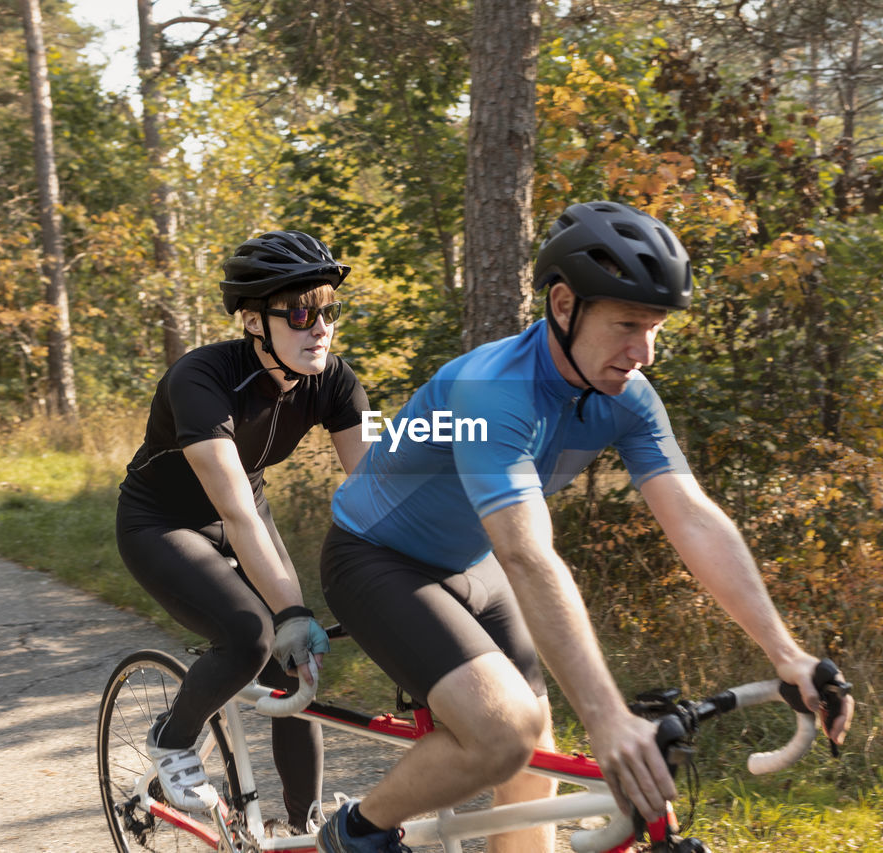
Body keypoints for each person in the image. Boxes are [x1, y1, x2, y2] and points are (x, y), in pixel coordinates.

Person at [313, 201, 855, 853]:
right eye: (628, 323)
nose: (643, 351)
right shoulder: (493, 391)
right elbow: (527, 552)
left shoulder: (627, 394)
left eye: (655, 327)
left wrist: (787, 652)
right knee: (503, 732)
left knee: (535, 762)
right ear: (564, 305)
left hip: (472, 563)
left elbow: (692, 516)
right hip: (377, 557)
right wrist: (604, 715)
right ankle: (356, 831)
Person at [115, 230, 369, 829]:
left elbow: (380, 483)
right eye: (303, 312)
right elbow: (233, 512)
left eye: (329, 309)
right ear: (255, 321)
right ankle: (173, 740)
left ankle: (305, 829)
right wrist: (289, 610)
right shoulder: (199, 378)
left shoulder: (336, 379)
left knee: (295, 668)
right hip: (163, 522)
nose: (321, 327)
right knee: (254, 633)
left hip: (247, 512)